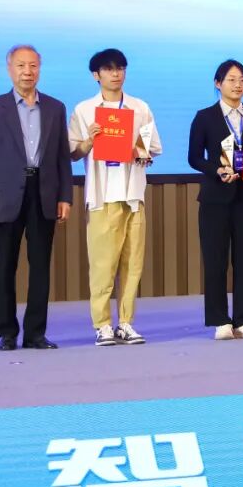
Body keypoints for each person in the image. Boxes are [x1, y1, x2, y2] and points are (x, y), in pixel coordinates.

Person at [0, 45, 72, 351]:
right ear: (9, 69)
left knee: (41, 267)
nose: (27, 72)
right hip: (5, 196)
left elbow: (62, 157)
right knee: (4, 267)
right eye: (21, 65)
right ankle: (7, 333)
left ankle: (35, 334)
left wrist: (65, 196)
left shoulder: (55, 107)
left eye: (33, 65)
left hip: (44, 192)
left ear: (39, 69)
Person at [69, 49, 161, 347]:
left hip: (133, 194)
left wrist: (137, 150)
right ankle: (102, 324)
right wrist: (90, 140)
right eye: (109, 69)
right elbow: (73, 152)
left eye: (120, 68)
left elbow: (152, 149)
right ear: (96, 75)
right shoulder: (85, 110)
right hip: (102, 195)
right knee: (102, 264)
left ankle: (126, 322)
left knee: (132, 264)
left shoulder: (139, 107)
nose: (116, 74)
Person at [189, 60, 243, 341]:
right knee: (215, 259)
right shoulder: (204, 117)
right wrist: (216, 170)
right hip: (215, 198)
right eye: (231, 79)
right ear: (218, 84)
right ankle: (220, 320)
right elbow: (194, 157)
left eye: (242, 80)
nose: (237, 85)